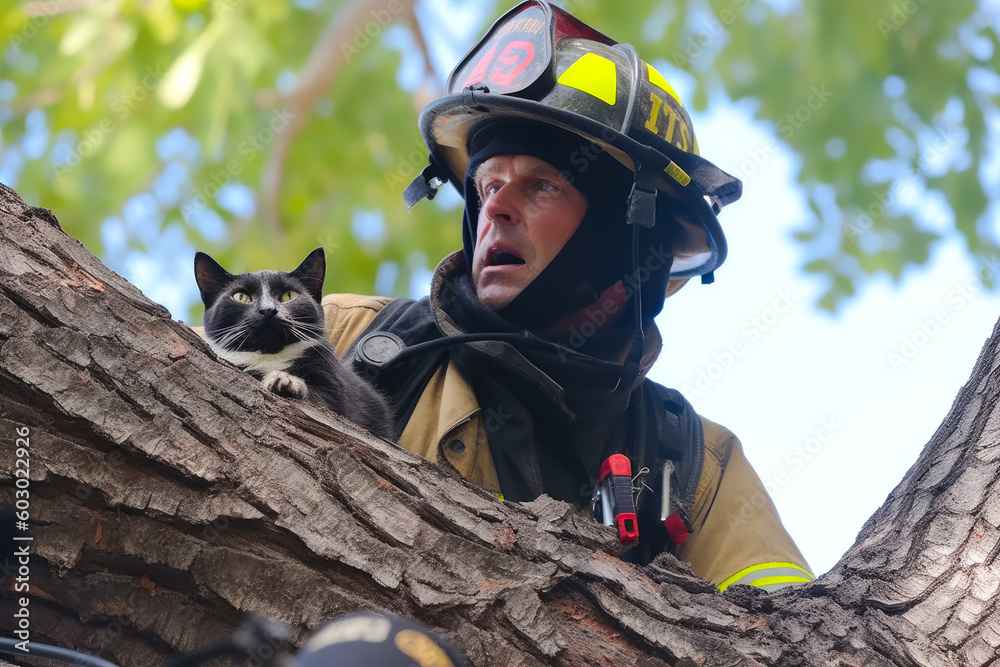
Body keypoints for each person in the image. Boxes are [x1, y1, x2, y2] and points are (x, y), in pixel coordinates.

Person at [325, 0, 814, 592]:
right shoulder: (343, 339)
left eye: (541, 185)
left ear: (623, 237)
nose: (494, 209)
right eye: (486, 185)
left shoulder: (694, 466)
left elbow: (788, 638)